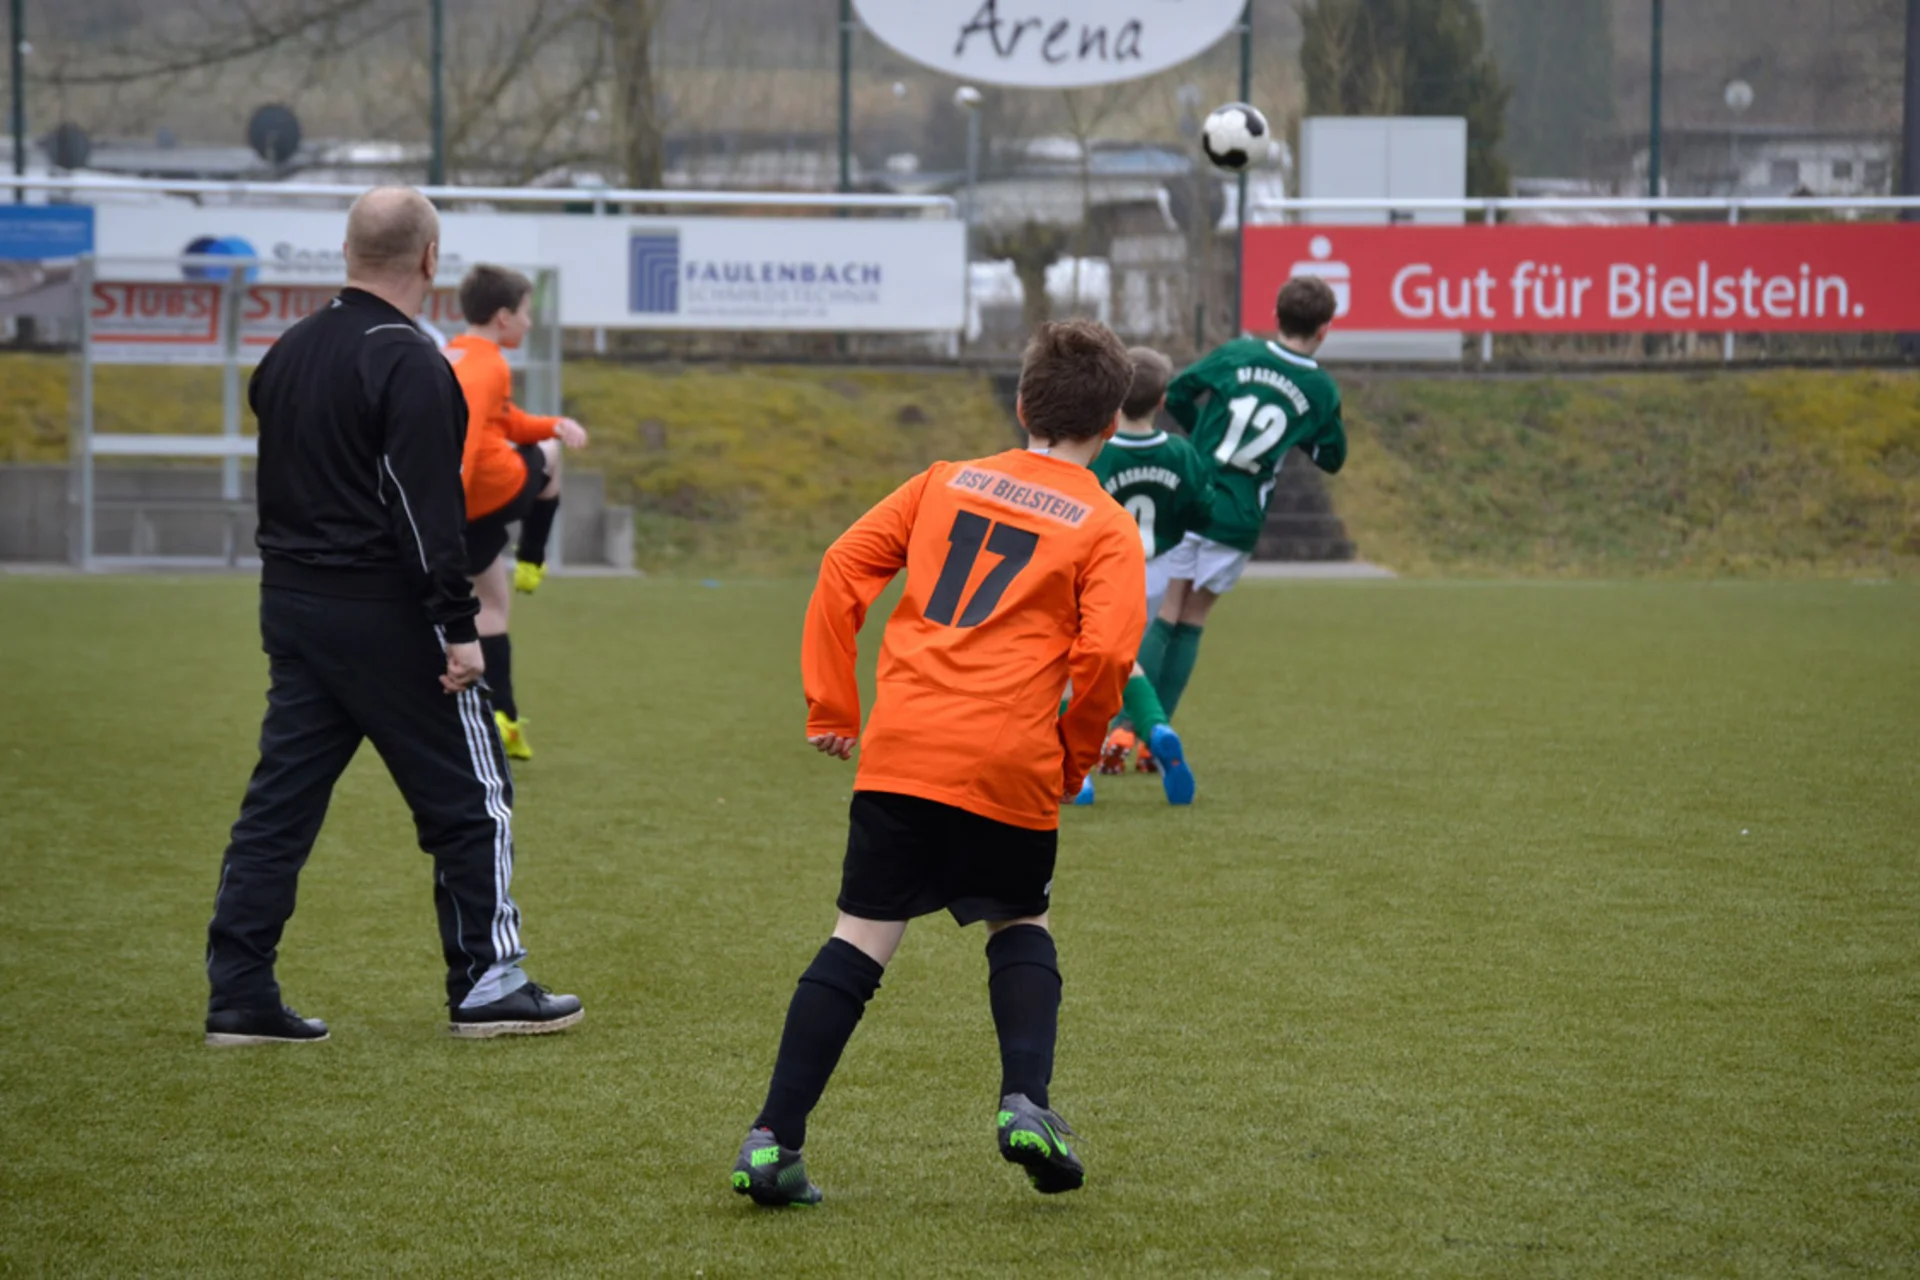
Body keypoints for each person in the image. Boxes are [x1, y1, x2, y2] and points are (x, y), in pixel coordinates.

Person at [729, 320, 1146, 1207]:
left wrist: (832, 705)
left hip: (904, 747)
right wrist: (1074, 756)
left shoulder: (941, 481)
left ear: (1022, 403)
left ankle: (772, 1140)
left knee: (859, 937)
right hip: (1009, 757)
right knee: (1020, 920)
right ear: (1112, 423)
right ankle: (1025, 1103)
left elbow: (843, 566)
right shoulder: (1107, 526)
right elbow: (1109, 654)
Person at [203, 187, 583, 1046]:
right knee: (473, 799)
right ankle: (488, 982)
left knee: (278, 808)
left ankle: (239, 994)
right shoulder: (410, 360)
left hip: (292, 606)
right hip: (386, 614)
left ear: (347, 253)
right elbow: (425, 509)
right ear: (430, 259)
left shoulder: (287, 351)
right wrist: (459, 627)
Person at [1150, 276, 1348, 722]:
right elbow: (1332, 457)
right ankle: (1155, 735)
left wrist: (1204, 433)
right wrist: (1298, 435)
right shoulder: (1320, 389)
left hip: (1191, 495)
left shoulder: (1238, 353)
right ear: (1324, 329)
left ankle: (1129, 727)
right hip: (1238, 515)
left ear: (1276, 316)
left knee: (1166, 609)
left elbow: (1177, 392)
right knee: (1193, 618)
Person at [445, 265, 588, 761]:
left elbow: (504, 422)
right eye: (526, 313)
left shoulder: (454, 353)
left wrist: (554, 422)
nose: (529, 323)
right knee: (551, 456)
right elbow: (463, 444)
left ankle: (502, 717)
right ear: (503, 317)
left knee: (491, 603)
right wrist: (444, 520)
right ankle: (532, 557)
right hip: (486, 493)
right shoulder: (488, 366)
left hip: (465, 507)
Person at [1078, 346, 1212, 806]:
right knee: (1124, 660)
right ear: (1162, 400)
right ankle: (1155, 728)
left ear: (1113, 397)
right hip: (1155, 573)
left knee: (1073, 665)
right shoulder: (1179, 451)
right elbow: (1202, 507)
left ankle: (1079, 769)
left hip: (1103, 569)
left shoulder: (1100, 453)